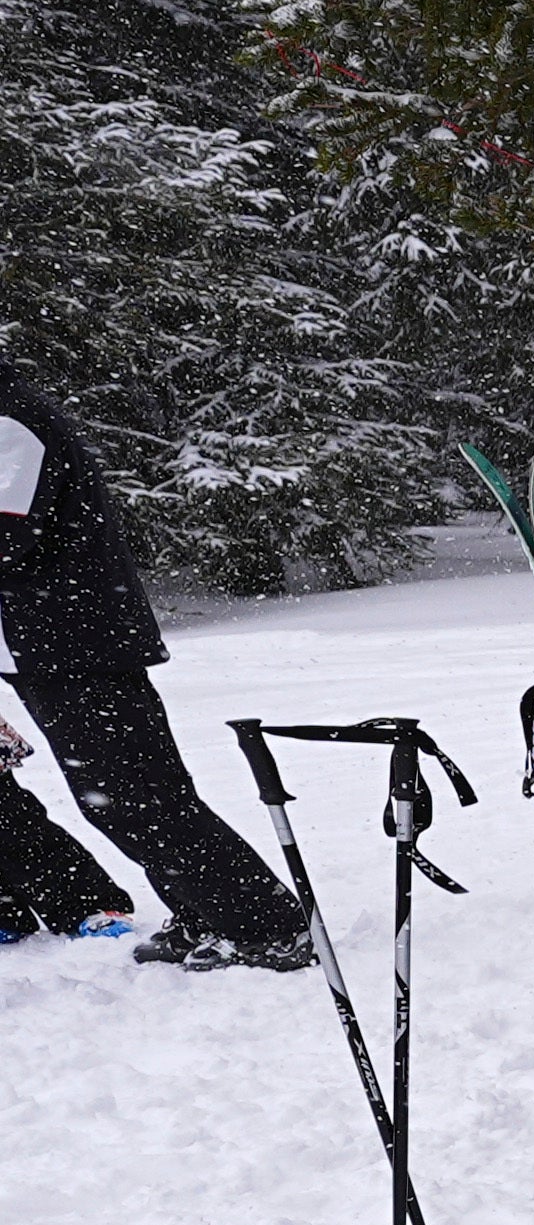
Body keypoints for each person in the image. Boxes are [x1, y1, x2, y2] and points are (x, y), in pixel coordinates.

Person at [0, 354, 313, 966]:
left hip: (74, 640)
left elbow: (8, 530)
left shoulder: (11, 419)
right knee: (123, 796)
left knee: (137, 795)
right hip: (52, 643)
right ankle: (206, 913)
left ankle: (266, 926)